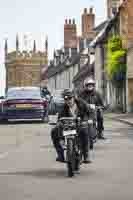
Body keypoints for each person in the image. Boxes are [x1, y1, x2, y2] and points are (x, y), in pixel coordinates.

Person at [51, 89, 92, 164]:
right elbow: (60, 119)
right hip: (69, 126)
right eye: (66, 99)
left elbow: (90, 112)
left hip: (80, 125)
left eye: (70, 98)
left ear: (74, 97)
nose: (68, 101)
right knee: (54, 131)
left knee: (85, 131)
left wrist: (88, 119)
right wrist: (58, 124)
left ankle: (86, 155)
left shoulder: (82, 103)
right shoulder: (63, 108)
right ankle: (60, 155)